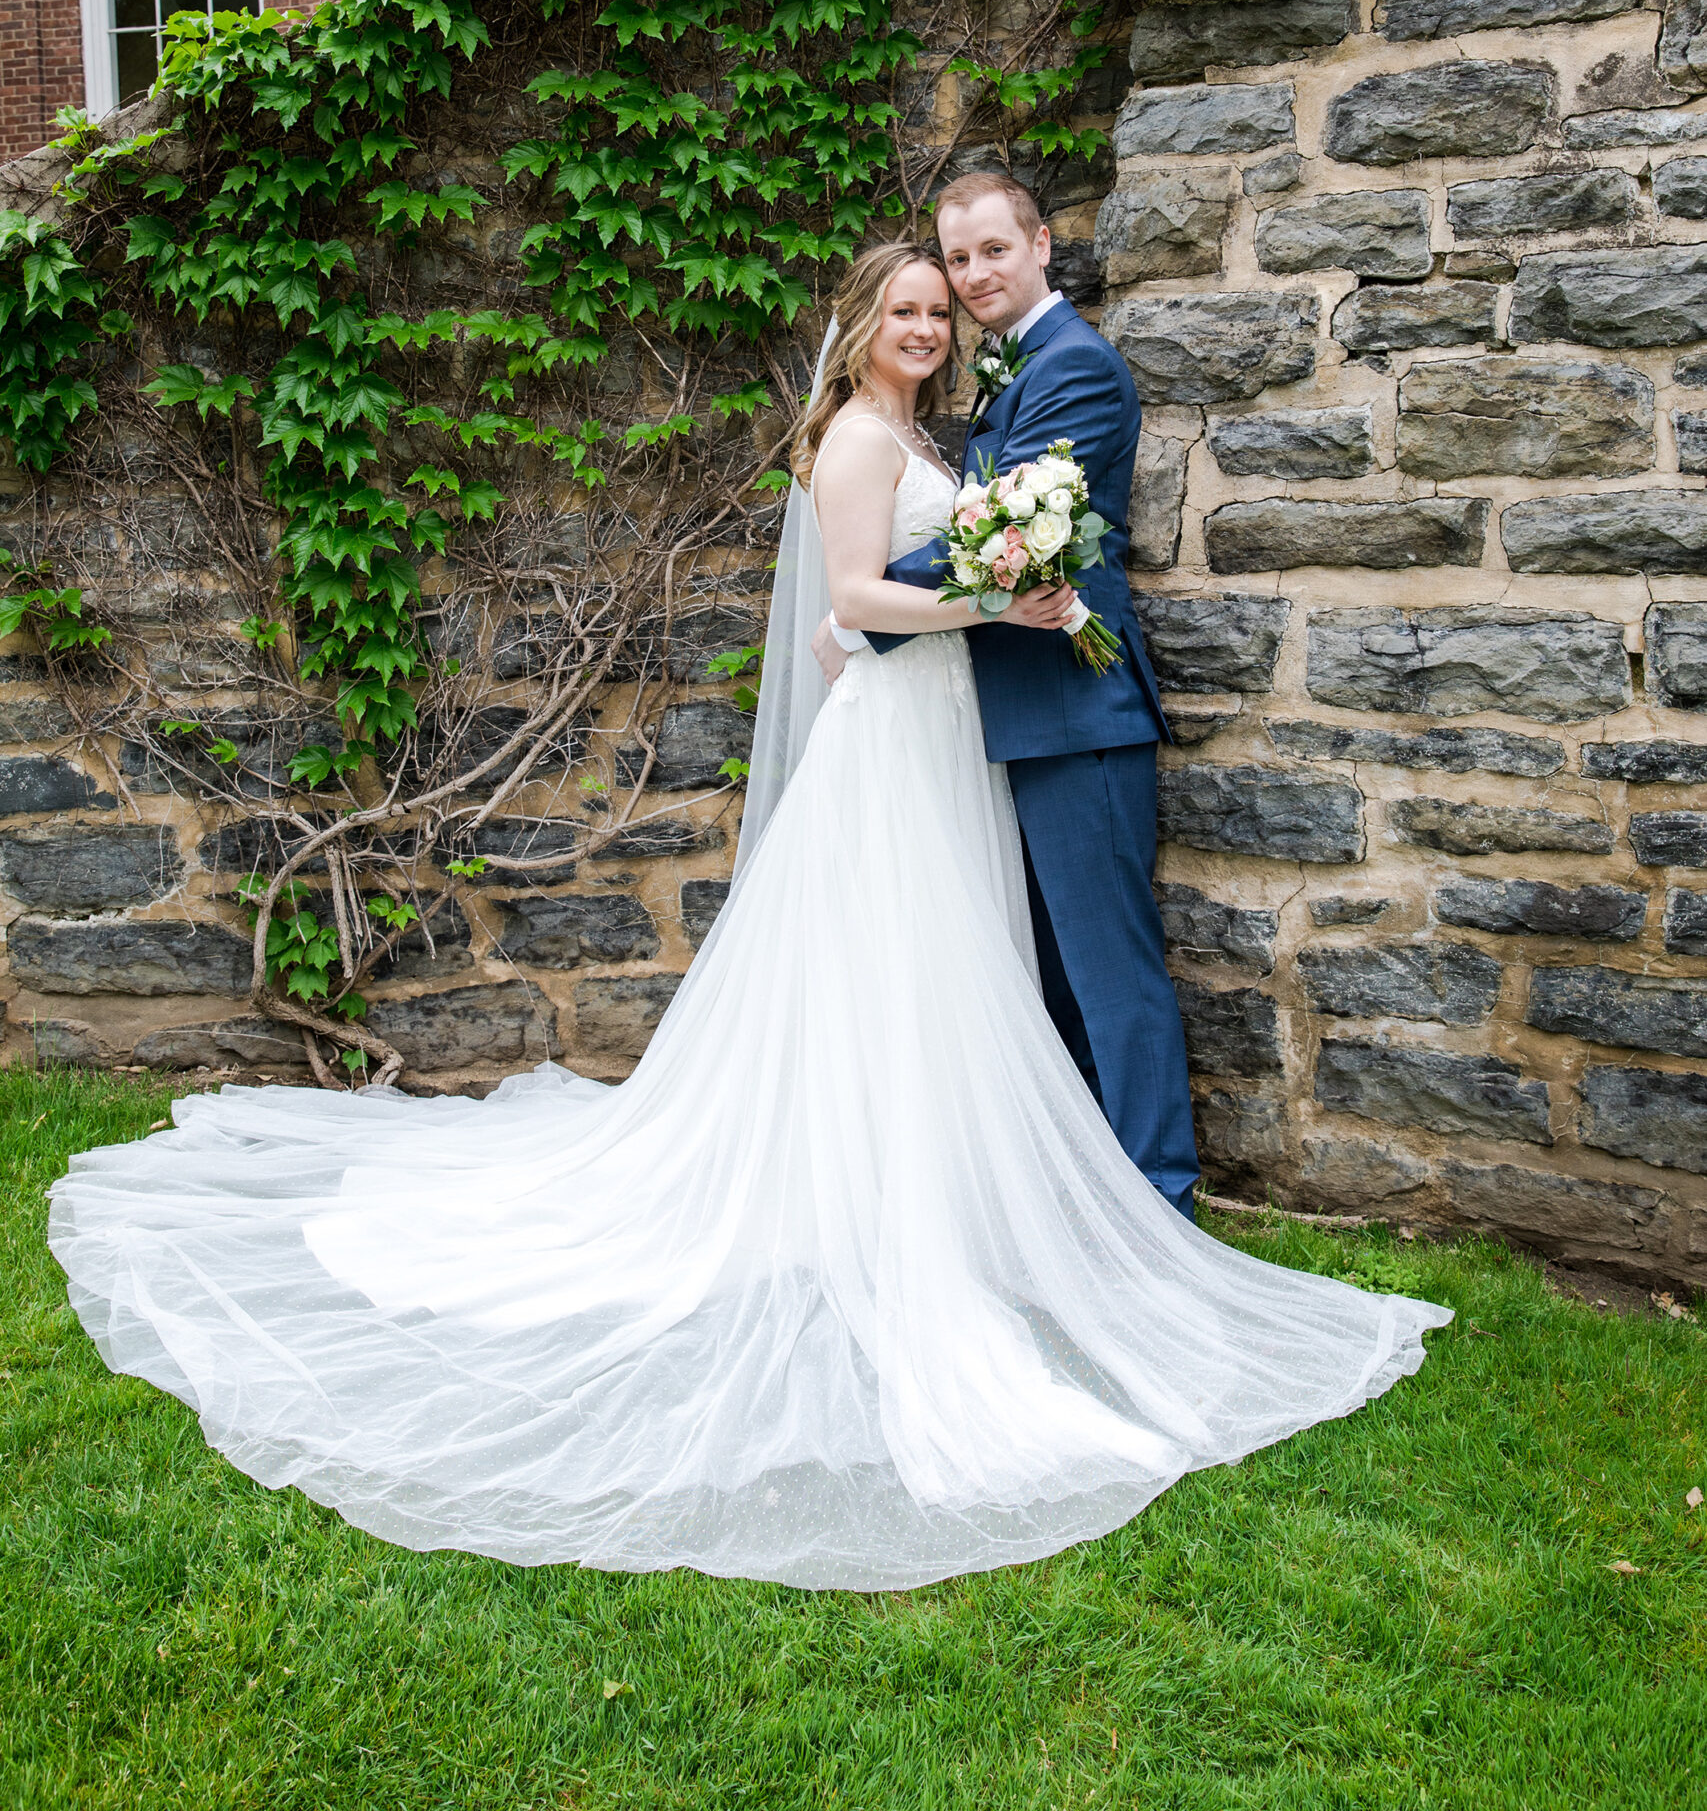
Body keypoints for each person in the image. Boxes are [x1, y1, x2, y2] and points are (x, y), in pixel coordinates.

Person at [49, 240, 1448, 1593]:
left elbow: (866, 614)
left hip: (938, 736)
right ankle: (883, 1209)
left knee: (941, 970)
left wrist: (978, 595)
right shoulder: (851, 438)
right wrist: (1000, 605)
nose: (922, 326)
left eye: (933, 310)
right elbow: (850, 600)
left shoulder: (930, 435)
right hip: (898, 745)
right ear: (856, 325)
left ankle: (949, 1198)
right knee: (892, 969)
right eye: (900, 308)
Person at [814, 172, 1198, 1216]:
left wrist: (858, 617)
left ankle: (1161, 1202)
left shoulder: (1069, 364)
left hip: (1076, 711)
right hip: (1007, 717)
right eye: (959, 260)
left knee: (1110, 976)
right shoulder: (999, 373)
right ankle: (1087, 1193)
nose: (975, 276)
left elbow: (1001, 539)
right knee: (1054, 979)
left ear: (1039, 244)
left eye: (993, 251)